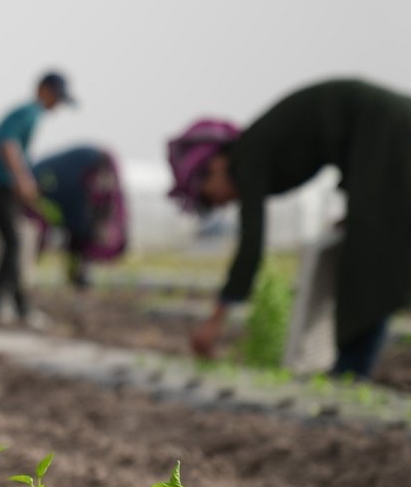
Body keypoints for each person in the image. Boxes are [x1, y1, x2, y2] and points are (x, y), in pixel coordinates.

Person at [167, 78, 411, 378]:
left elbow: (251, 244)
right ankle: (351, 368)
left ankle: (351, 371)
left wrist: (215, 321)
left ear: (216, 163)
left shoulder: (247, 157)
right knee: (375, 250)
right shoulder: (257, 147)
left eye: (207, 195)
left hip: (387, 132)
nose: (218, 204)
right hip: (383, 134)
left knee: (368, 261)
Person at [0, 72, 75, 323]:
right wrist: (24, 180)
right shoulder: (29, 112)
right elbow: (7, 146)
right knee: (13, 242)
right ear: (43, 89)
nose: (57, 104)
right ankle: (5, 306)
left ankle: (4, 305)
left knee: (11, 242)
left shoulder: (30, 113)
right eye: (56, 97)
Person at [31, 145, 128, 288]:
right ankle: (77, 276)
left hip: (81, 223)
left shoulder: (98, 190)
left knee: (82, 242)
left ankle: (78, 276)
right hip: (75, 218)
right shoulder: (75, 182)